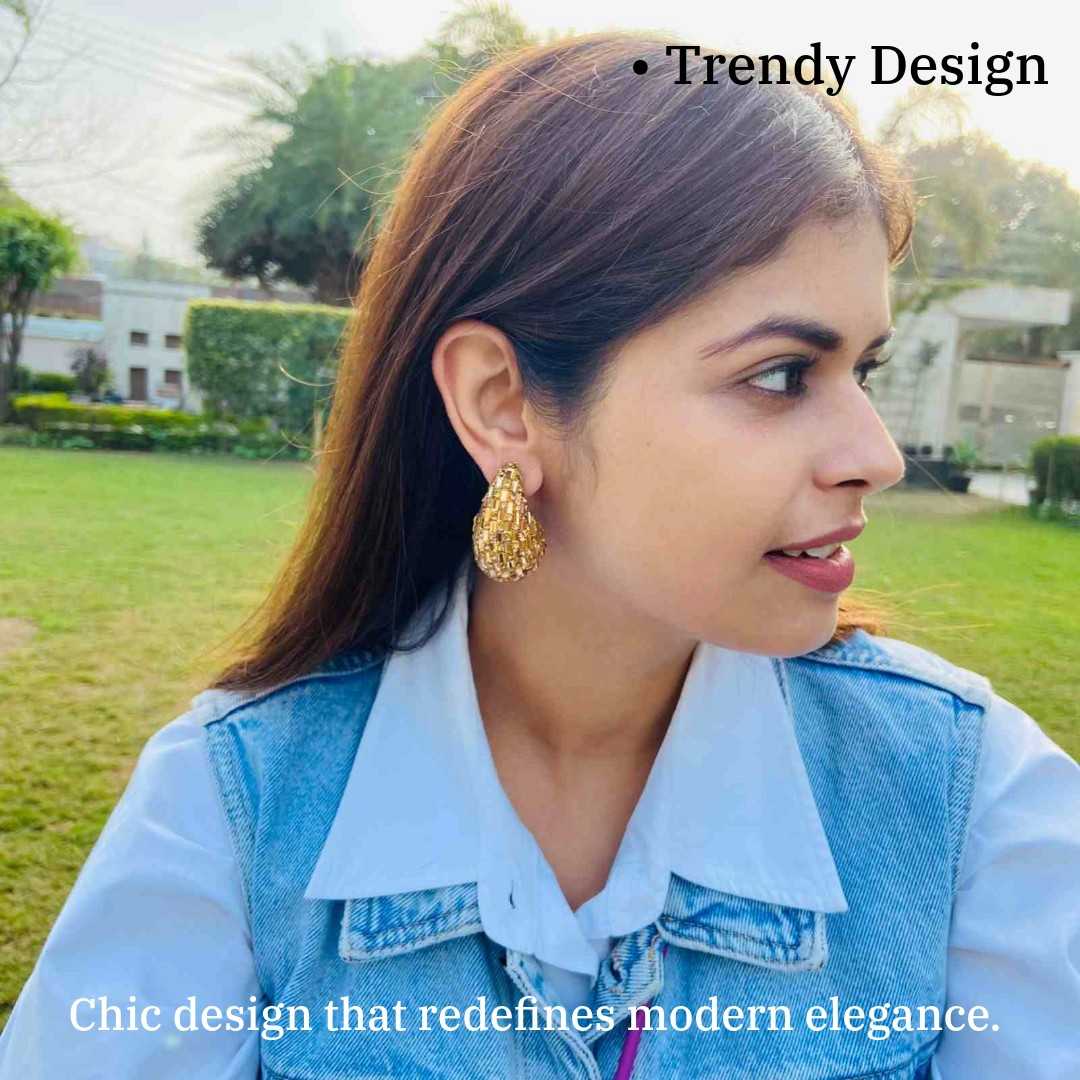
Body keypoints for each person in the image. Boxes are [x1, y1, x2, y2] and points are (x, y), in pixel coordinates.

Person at [2, 30, 1078, 1080]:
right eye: (782, 374)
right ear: (502, 403)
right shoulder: (232, 810)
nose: (877, 457)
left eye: (864, 371)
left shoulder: (969, 801)